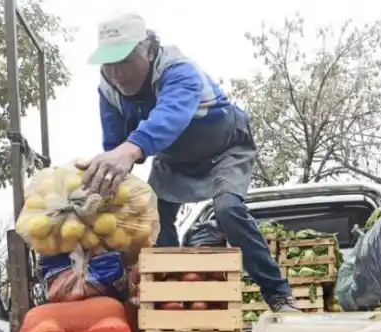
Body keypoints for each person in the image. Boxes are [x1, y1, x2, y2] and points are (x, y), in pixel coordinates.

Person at [77, 11, 298, 312]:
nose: (117, 73)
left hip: (225, 148)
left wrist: (130, 150)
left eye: (125, 60)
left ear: (149, 48)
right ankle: (173, 293)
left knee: (228, 209)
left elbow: (170, 117)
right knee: (153, 217)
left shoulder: (179, 70)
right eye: (109, 63)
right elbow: (116, 144)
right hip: (174, 158)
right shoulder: (109, 87)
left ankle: (278, 293)